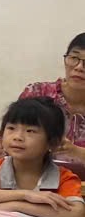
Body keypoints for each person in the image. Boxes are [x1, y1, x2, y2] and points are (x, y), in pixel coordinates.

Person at [0, 97, 84, 217]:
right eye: (11, 128)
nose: (17, 137)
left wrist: (17, 206)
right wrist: (25, 195)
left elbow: (78, 213)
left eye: (30, 131)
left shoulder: (64, 178)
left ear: (52, 142)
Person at [20, 33, 85, 178]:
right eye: (74, 58)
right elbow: (12, 137)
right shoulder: (37, 93)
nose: (79, 67)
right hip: (34, 180)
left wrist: (75, 151)